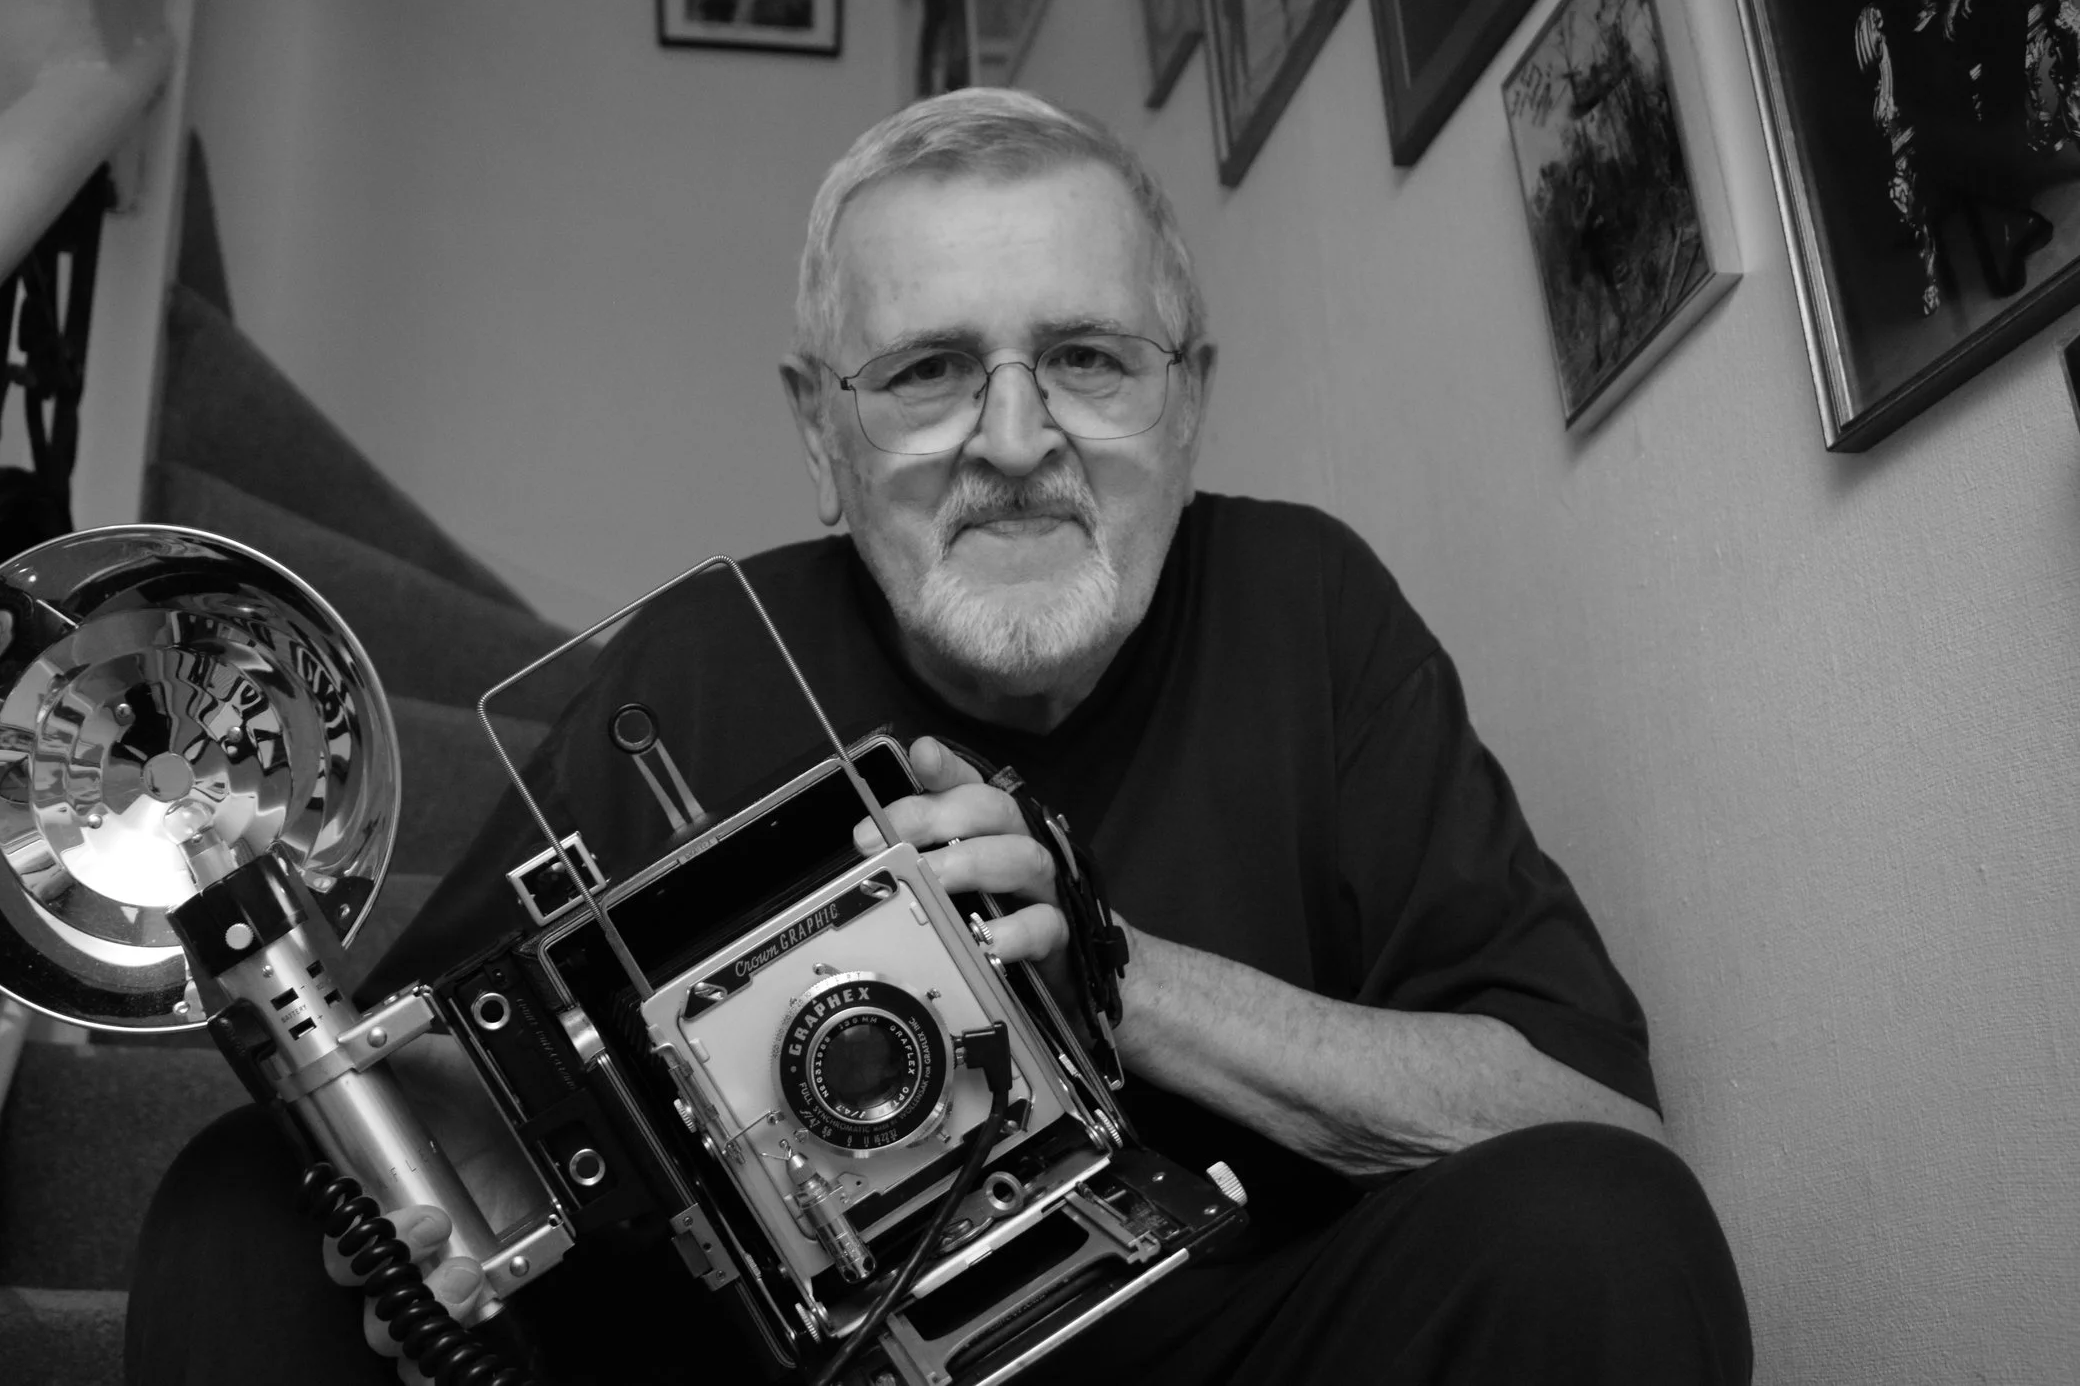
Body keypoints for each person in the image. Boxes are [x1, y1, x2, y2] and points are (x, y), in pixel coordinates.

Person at [126, 91, 1751, 1384]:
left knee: (1599, 1226)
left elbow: (1595, 1128)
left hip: (1227, 1329)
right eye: (928, 372)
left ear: (1187, 400)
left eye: (1089, 359)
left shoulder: (1305, 608)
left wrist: (1109, 969)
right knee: (246, 1208)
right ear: (820, 433)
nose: (1019, 439)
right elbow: (425, 1119)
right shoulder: (696, 666)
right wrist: (434, 1204)